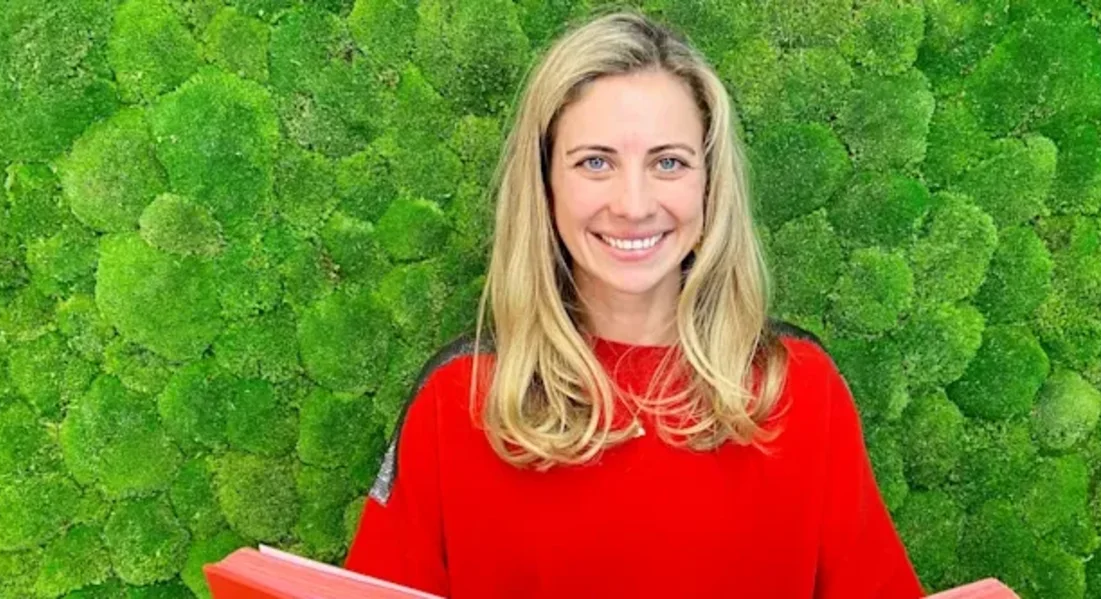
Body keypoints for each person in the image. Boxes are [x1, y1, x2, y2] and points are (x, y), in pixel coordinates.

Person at [344, 9, 924, 599]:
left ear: (709, 185)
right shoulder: (459, 400)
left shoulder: (799, 388)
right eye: (595, 162)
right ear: (545, 186)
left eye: (668, 162)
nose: (634, 204)